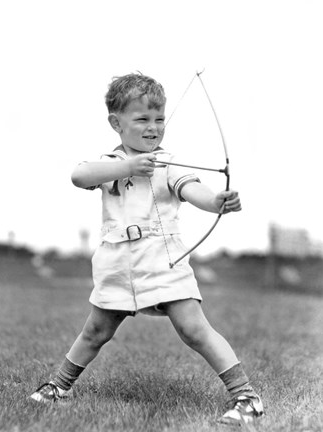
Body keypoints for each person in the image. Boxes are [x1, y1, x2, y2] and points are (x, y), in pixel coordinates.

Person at [30, 73, 264, 425]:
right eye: (142, 119)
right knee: (96, 331)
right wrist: (127, 166)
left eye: (159, 119)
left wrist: (218, 202)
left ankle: (247, 397)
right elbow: (79, 175)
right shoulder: (110, 162)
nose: (153, 128)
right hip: (117, 263)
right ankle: (59, 387)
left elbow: (193, 191)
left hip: (163, 260)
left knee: (193, 329)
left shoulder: (167, 164)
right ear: (116, 123)